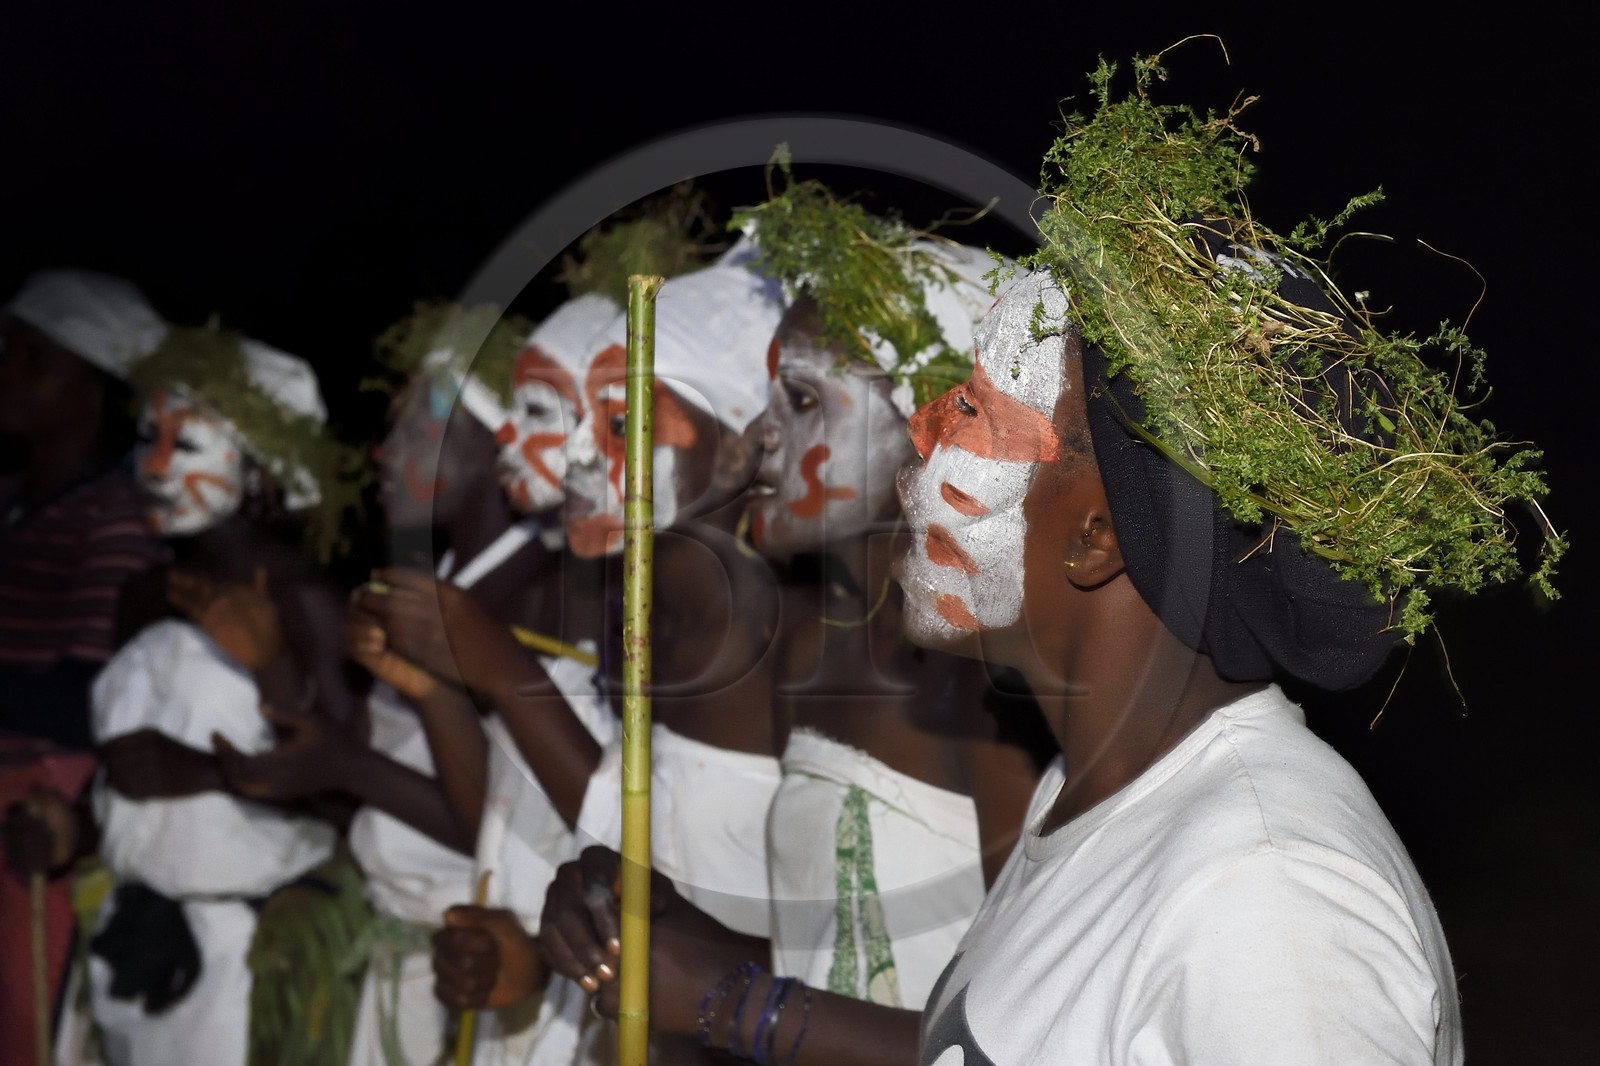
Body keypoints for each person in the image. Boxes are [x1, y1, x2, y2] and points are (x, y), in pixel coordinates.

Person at [535, 53, 1563, 1065]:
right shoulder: (1089, 799)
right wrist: (701, 966)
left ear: (1096, 535)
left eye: (971, 408)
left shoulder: (1268, 894)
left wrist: (741, 1006)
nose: (922, 431)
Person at [393, 241, 786, 1065]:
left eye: (615, 424)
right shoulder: (658, 613)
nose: (576, 453)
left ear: (745, 444)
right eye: (572, 420)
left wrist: (503, 673)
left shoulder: (758, 630)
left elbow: (752, 927)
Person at [82, 322, 365, 1066]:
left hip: (251, 964)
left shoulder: (308, 606)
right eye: (148, 436)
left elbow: (354, 802)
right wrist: (76, 820)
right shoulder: (144, 595)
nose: (154, 465)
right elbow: (124, 771)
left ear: (264, 470)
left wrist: (209, 773)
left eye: (189, 445)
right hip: (134, 936)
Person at [0, 268, 169, 1066]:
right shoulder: (16, 503)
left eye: (36, 357)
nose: (8, 369)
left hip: (45, 803)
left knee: (33, 1026)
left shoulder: (119, 514)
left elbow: (89, 696)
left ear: (97, 386)